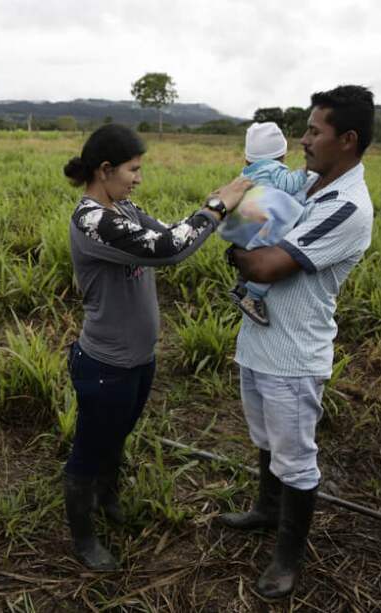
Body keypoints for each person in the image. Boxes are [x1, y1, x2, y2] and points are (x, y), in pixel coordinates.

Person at [63, 124, 251, 571]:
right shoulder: (92, 220)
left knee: (118, 436)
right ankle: (84, 537)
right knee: (90, 448)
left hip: (139, 359)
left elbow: (167, 233)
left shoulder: (123, 207)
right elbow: (167, 249)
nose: (138, 178)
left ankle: (108, 499)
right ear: (105, 170)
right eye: (134, 169)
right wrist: (216, 204)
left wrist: (222, 211)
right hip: (105, 363)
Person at [220, 85, 376, 599]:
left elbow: (265, 262)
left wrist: (240, 244)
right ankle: (267, 510)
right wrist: (246, 238)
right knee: (265, 440)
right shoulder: (306, 182)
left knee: (296, 457)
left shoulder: (347, 205)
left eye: (314, 130)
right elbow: (253, 238)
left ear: (347, 139)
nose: (303, 140)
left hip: (293, 355)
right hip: (258, 339)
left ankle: (288, 558)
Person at [220, 121, 309, 325]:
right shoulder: (274, 170)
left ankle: (240, 287)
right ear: (282, 155)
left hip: (244, 225)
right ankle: (253, 295)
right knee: (274, 255)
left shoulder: (247, 172)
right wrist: (305, 171)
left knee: (248, 255)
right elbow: (290, 185)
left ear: (247, 158)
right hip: (264, 226)